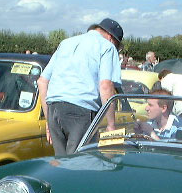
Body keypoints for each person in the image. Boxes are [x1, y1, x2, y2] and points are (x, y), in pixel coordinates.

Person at [38, 18, 123, 156]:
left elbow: (42, 82)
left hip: (54, 109)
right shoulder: (107, 46)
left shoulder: (65, 43)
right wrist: (111, 125)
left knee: (62, 163)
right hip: (81, 112)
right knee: (79, 165)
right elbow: (106, 86)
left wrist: (48, 120)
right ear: (111, 38)